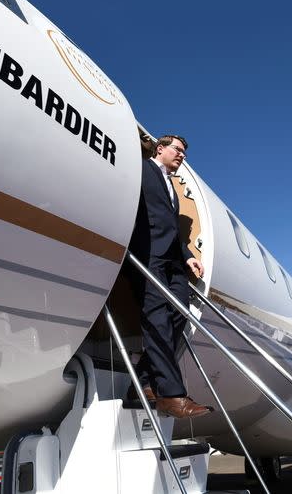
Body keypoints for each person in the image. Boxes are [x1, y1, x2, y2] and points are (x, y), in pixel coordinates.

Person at [128, 134, 212, 419]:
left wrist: (188, 254)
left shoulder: (172, 187)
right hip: (147, 254)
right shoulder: (140, 168)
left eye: (184, 153)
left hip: (173, 260)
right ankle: (171, 395)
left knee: (180, 313)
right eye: (178, 150)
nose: (182, 156)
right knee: (157, 318)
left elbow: (172, 228)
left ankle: (142, 379)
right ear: (160, 148)